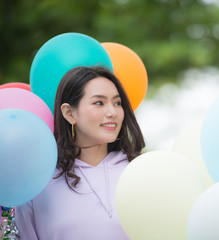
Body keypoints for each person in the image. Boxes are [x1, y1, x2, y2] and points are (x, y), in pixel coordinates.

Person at [15, 66, 145, 239]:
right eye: (99, 102)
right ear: (69, 113)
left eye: (117, 103)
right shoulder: (38, 182)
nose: (112, 112)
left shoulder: (140, 171)